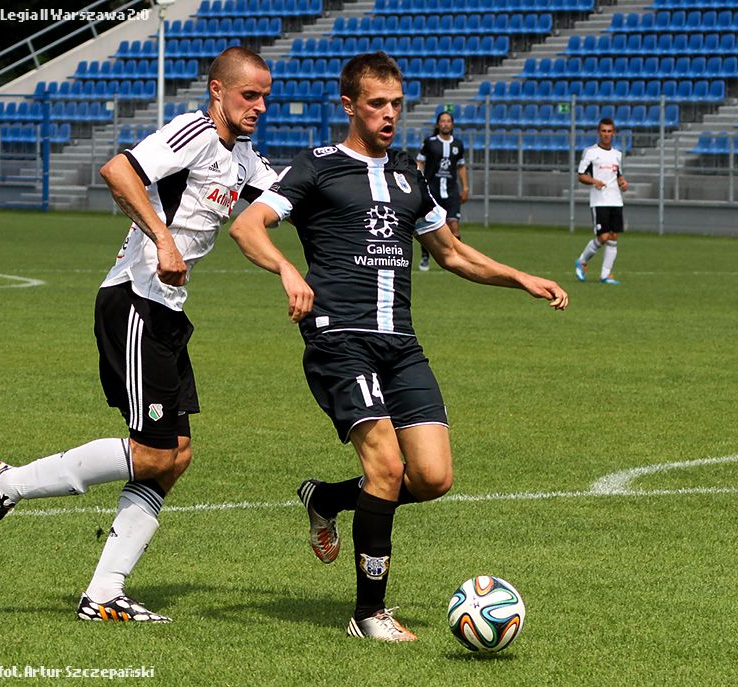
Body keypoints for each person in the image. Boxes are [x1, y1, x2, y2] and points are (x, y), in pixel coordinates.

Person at [228, 52, 568, 642]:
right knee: (385, 468)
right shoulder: (317, 167)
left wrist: (521, 277)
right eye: (377, 104)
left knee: (433, 477)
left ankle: (327, 499)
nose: (389, 115)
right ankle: (369, 613)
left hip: (401, 345)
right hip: (339, 338)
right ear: (350, 106)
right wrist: (287, 270)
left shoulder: (410, 178)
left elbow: (451, 253)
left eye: (396, 105)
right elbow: (247, 225)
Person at [0, 46, 277, 623]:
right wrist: (163, 239)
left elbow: (289, 194)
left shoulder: (244, 158)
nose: (258, 106)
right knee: (153, 452)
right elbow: (117, 170)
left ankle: (104, 594)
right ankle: (7, 483)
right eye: (248, 95)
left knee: (175, 457)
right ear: (218, 91)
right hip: (134, 301)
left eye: (265, 97)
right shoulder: (193, 132)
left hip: (168, 312)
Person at [574, 117, 628, 285]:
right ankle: (582, 260)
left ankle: (605, 275)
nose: (606, 134)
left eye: (609, 131)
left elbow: (618, 175)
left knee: (613, 237)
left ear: (614, 133)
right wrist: (594, 181)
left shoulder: (617, 154)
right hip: (599, 201)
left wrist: (622, 182)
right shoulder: (590, 152)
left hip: (616, 200)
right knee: (603, 236)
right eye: (603, 131)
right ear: (599, 133)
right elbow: (581, 175)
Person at [415, 110, 468, 271]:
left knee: (454, 224)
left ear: (452, 124)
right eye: (442, 121)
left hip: (451, 190)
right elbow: (420, 161)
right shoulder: (430, 142)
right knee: (429, 225)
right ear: (438, 125)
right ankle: (425, 257)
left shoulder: (458, 144)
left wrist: (465, 187)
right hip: (432, 190)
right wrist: (418, 180)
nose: (445, 124)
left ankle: (458, 259)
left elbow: (461, 166)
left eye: (448, 121)